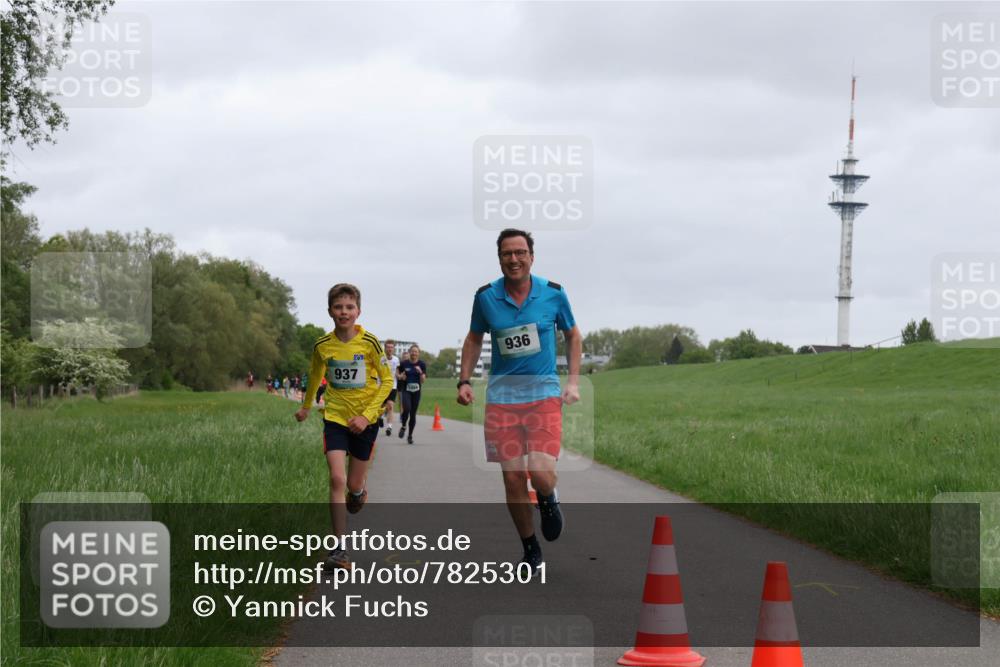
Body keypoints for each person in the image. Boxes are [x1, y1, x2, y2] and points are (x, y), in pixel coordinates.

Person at [456, 228, 581, 575]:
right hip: (502, 401)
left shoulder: (553, 294)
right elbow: (473, 337)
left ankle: (547, 496)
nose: (514, 259)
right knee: (512, 481)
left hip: (542, 396)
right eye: (507, 254)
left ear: (531, 256)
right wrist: (464, 380)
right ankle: (530, 549)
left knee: (540, 474)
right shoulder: (485, 298)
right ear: (499, 258)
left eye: (520, 252)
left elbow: (573, 335)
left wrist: (572, 382)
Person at [296, 283, 393, 571]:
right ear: (330, 311)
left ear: (358, 311)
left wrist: (366, 415)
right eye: (338, 307)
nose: (344, 312)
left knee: (351, 484)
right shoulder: (322, 346)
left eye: (349, 307)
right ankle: (339, 550)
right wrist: (306, 405)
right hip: (335, 418)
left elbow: (387, 382)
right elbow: (316, 376)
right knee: (337, 479)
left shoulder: (371, 343)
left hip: (366, 421)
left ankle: (358, 492)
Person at [397, 344, 427, 445]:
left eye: (416, 351)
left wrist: (420, 373)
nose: (414, 353)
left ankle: (410, 435)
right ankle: (403, 425)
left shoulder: (422, 364)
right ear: (409, 352)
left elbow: (423, 381)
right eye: (412, 351)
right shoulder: (404, 363)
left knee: (413, 414)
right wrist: (400, 376)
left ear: (418, 353)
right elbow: (397, 374)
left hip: (416, 392)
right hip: (406, 390)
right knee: (407, 409)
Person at [383, 340, 401, 436]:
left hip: (392, 386)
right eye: (388, 347)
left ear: (393, 349)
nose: (390, 349)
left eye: (391, 347)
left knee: (390, 406)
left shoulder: (396, 359)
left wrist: (400, 376)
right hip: (380, 385)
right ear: (385, 348)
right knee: (380, 406)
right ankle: (380, 418)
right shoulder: (381, 359)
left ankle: (389, 427)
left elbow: (397, 373)